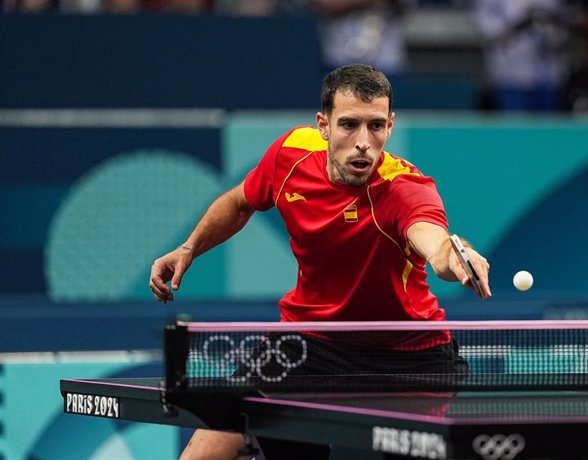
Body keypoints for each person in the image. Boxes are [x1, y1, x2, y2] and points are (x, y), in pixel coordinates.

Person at [149, 63, 491, 460]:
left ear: (390, 125)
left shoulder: (404, 188)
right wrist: (189, 248)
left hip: (407, 355)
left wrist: (455, 257)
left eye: (376, 126)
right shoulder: (290, 155)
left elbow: (434, 243)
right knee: (205, 452)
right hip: (311, 343)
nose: (364, 141)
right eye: (349, 125)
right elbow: (240, 202)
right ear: (323, 124)